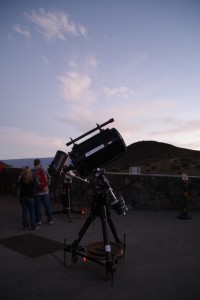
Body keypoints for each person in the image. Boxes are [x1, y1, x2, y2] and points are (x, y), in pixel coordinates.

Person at [33, 159, 53, 225]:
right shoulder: (44, 170)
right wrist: (46, 187)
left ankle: (39, 220)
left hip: (37, 192)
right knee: (47, 205)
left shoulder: (33, 171)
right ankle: (50, 220)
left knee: (38, 206)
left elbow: (32, 182)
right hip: (45, 191)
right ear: (39, 163)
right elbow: (48, 179)